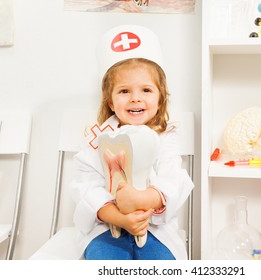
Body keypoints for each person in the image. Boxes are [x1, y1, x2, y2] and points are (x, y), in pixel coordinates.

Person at [70, 25, 194, 260]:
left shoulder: (166, 139)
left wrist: (143, 199)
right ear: (110, 100)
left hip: (155, 229)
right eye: (124, 91)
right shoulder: (97, 140)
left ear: (160, 99)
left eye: (146, 90)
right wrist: (119, 218)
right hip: (106, 228)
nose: (136, 97)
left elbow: (174, 182)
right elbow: (86, 187)